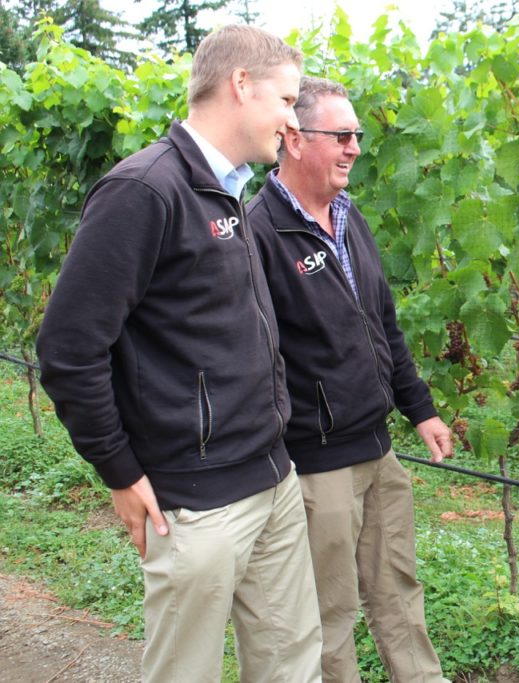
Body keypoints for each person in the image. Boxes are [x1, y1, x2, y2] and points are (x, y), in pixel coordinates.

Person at [35, 25, 323, 683]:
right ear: (240, 85)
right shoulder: (144, 190)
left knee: (293, 669)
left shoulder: (230, 188)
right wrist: (117, 468)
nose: (292, 119)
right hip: (197, 503)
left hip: (273, 479)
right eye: (285, 99)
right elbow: (68, 346)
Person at [247, 76, 453, 683]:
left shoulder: (347, 216)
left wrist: (420, 409)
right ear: (294, 139)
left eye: (356, 135)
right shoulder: (259, 231)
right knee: (327, 614)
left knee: (399, 594)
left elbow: (381, 321)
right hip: (317, 466)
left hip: (379, 450)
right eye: (341, 135)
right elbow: (261, 358)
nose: (354, 147)